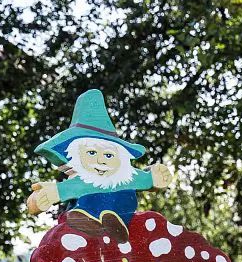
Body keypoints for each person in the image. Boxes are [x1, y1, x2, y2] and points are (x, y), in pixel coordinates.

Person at [26, 89, 170, 237]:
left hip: (122, 217)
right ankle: (87, 220)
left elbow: (147, 179)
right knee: (88, 200)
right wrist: (48, 194)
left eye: (108, 155)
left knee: (125, 195)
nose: (101, 161)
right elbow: (65, 190)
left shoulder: (128, 177)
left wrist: (155, 177)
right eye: (92, 153)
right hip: (85, 218)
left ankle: (116, 224)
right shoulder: (81, 182)